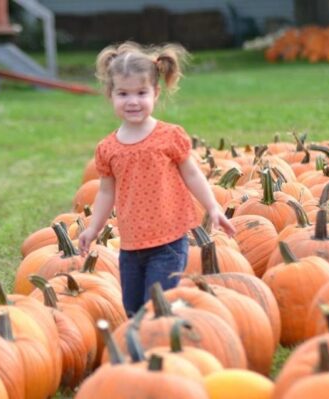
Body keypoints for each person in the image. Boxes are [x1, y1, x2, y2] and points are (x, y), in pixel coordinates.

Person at [78, 41, 235, 317]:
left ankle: (164, 349)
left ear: (156, 92)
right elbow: (105, 193)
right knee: (132, 309)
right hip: (130, 245)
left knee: (158, 306)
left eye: (141, 92)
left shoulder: (169, 136)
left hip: (168, 242)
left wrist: (212, 207)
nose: (133, 101)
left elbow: (192, 173)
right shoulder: (108, 148)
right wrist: (93, 229)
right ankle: (141, 352)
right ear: (110, 95)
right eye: (123, 93)